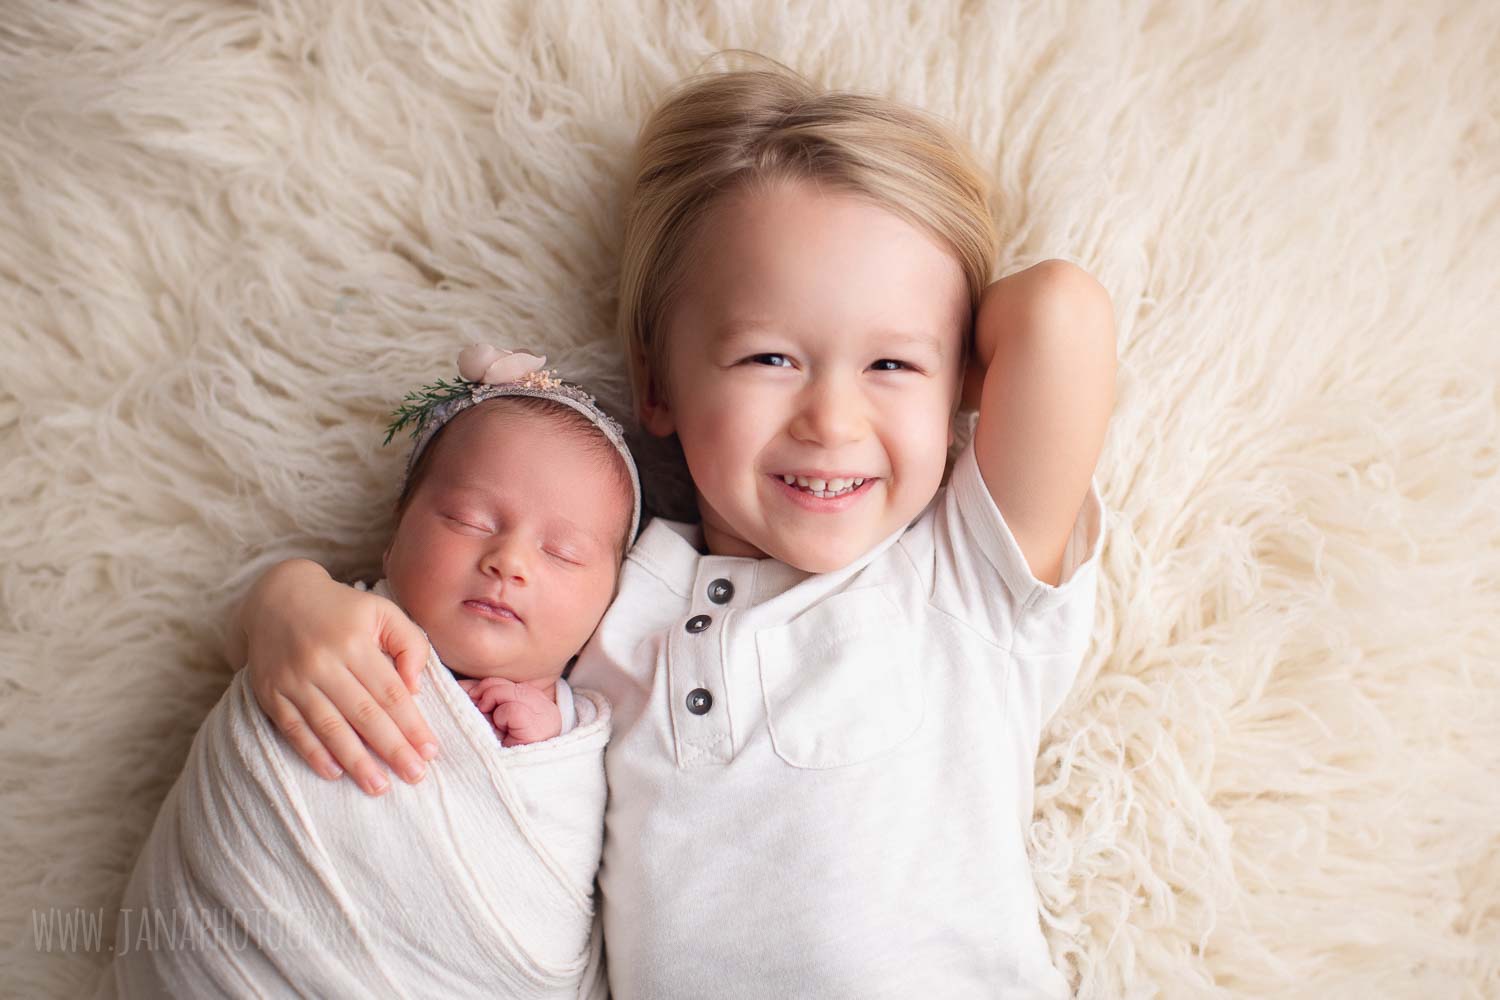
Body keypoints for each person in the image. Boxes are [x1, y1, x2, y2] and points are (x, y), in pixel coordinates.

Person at [231, 60, 1115, 998]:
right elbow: (440, 636)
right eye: (770, 356)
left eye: (890, 364)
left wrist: (936, 390)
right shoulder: (609, 594)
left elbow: (1059, 311)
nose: (833, 421)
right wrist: (285, 601)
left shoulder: (962, 579)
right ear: (658, 384)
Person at [100, 347, 638, 999]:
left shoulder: (581, 730)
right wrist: (288, 594)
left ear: (611, 600)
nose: (510, 560)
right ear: (395, 536)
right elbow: (241, 648)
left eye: (563, 553)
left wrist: (546, 729)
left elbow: (558, 870)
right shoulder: (338, 620)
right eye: (469, 520)